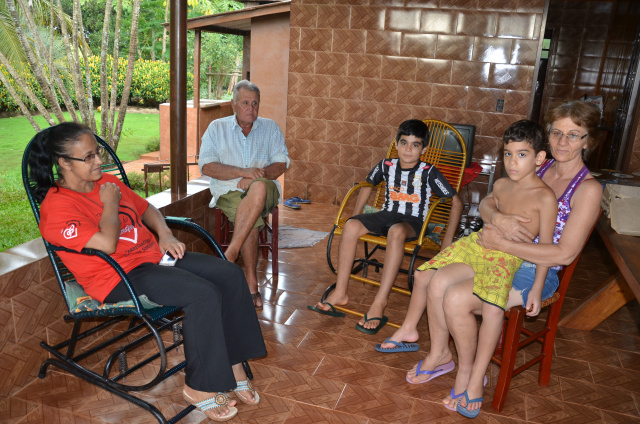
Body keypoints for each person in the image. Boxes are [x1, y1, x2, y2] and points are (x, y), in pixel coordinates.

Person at [30, 123, 267, 422]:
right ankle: (199, 387)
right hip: (117, 278)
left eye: (98, 152)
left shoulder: (105, 182)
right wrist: (110, 205)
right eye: (88, 157)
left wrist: (165, 234)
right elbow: (106, 243)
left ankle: (232, 363)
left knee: (229, 275)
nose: (98, 161)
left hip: (152, 259)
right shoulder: (58, 208)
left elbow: (146, 209)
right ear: (64, 162)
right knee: (203, 294)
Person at [380, 100, 603, 417]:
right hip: (494, 251)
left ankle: (470, 375)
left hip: (533, 269)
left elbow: (564, 253)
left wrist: (505, 244)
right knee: (429, 276)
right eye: (557, 133)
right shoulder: (535, 164)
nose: (562, 142)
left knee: (455, 298)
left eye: (574, 134)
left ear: (587, 140)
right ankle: (441, 354)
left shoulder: (588, 189)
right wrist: (498, 219)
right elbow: (487, 201)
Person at [309, 119, 463, 334]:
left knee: (396, 231)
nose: (408, 149)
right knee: (352, 226)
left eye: (415, 144)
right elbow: (367, 185)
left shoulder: (429, 172)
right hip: (387, 214)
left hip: (413, 222)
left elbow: (456, 202)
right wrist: (356, 215)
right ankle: (341, 292)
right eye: (404, 143)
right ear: (396, 144)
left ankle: (380, 302)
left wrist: (447, 241)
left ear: (424, 149)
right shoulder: (386, 165)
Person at [198, 80, 289, 310]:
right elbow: (207, 166)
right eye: (246, 103)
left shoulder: (270, 128)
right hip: (229, 189)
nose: (251, 108)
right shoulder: (216, 128)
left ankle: (232, 251)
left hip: (265, 188)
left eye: (255, 103)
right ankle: (251, 282)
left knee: (258, 188)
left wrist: (257, 177)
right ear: (234, 104)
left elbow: (281, 163)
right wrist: (243, 172)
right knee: (251, 215)